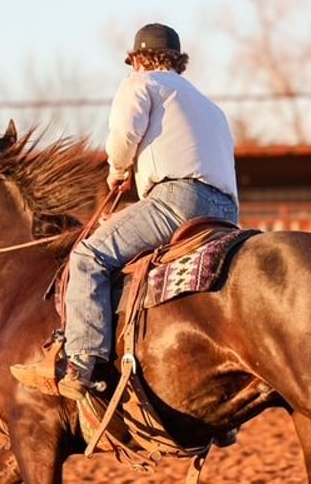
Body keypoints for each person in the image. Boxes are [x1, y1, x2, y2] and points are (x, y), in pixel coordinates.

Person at [12, 23, 239, 401]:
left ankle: (80, 362)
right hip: (225, 211)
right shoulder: (211, 107)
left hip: (177, 200)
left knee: (88, 256)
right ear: (178, 61)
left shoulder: (140, 83)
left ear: (137, 60)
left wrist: (118, 170)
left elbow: (123, 137)